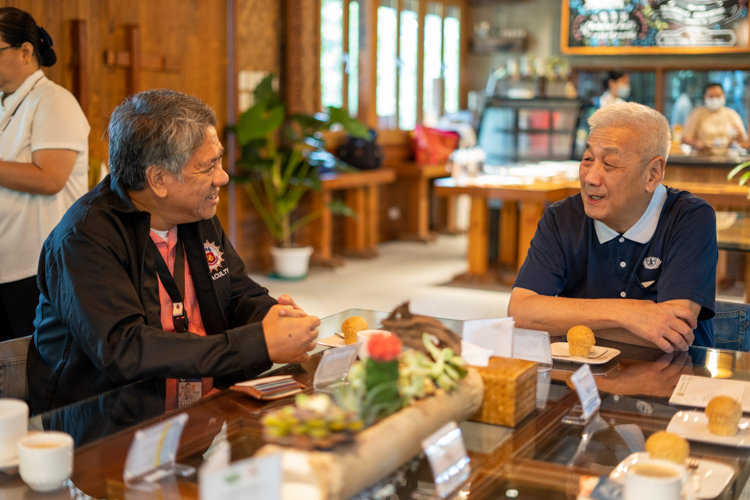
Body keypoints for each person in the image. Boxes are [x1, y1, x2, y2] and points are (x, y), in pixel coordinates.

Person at [27, 90, 320, 414]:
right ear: (158, 179)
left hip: (203, 413)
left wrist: (274, 317)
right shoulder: (85, 239)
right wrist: (258, 343)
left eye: (219, 160)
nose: (222, 177)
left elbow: (236, 293)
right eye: (208, 166)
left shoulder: (195, 214)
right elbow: (126, 350)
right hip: (110, 432)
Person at [508, 102, 717, 352]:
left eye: (610, 165)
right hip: (584, 382)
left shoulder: (689, 217)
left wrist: (563, 320)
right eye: (587, 159)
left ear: (653, 174)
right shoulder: (561, 218)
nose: (590, 178)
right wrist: (631, 314)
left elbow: (673, 333)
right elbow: (520, 314)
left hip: (675, 380)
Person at [0, 7, 89, 341]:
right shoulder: (6, 102)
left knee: (38, 369)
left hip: (38, 267)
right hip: (6, 265)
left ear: (25, 51)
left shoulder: (53, 101)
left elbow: (50, 178)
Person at [683, 83, 747, 151]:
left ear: (724, 96)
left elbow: (743, 140)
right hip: (702, 156)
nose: (714, 99)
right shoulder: (696, 114)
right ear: (704, 97)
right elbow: (685, 138)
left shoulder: (732, 114)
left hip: (727, 157)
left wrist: (739, 135)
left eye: (718, 96)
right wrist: (696, 143)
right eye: (711, 96)